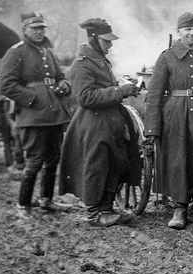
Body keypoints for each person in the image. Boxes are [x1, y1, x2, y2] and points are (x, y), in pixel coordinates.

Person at [59, 18, 140, 227]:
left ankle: (106, 208)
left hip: (110, 123)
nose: (110, 45)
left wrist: (121, 86)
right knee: (97, 166)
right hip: (94, 125)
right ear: (94, 39)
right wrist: (120, 91)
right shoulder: (82, 64)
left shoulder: (100, 60)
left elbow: (102, 87)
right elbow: (85, 97)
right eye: (106, 41)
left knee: (117, 163)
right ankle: (94, 214)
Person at [144, 12, 193, 230]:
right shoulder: (167, 57)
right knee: (177, 158)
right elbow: (154, 94)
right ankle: (179, 208)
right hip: (175, 116)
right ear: (178, 32)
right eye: (187, 29)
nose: (192, 33)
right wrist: (152, 128)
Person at [0, 12, 74, 218]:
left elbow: (60, 76)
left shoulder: (46, 51)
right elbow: (5, 84)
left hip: (55, 113)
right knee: (34, 161)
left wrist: (64, 86)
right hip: (33, 116)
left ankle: (46, 201)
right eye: (35, 28)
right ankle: (23, 205)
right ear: (25, 30)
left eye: (42, 28)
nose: (39, 32)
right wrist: (32, 98)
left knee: (53, 158)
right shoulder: (16, 52)